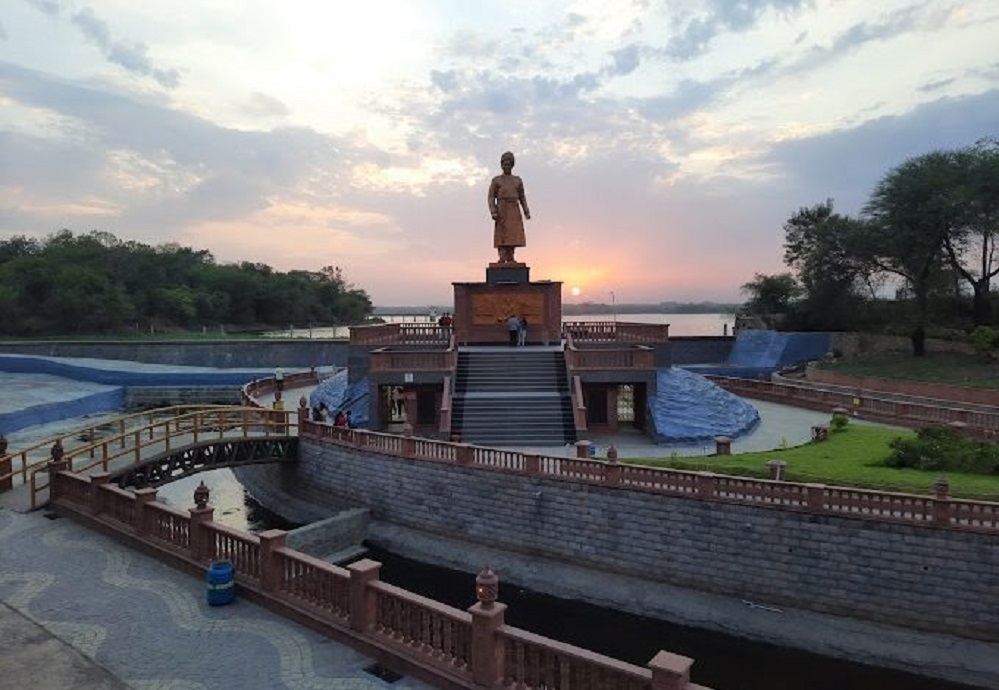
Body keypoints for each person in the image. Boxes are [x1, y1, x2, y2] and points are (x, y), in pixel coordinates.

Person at [487, 151, 531, 264]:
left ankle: (511, 257)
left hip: (514, 208)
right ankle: (502, 257)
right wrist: (493, 211)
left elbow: (522, 196)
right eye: (504, 164)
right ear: (501, 165)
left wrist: (526, 210)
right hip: (502, 208)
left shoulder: (517, 180)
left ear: (512, 165)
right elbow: (491, 197)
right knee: (502, 234)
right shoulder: (496, 180)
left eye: (509, 164)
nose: (506, 166)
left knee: (513, 234)